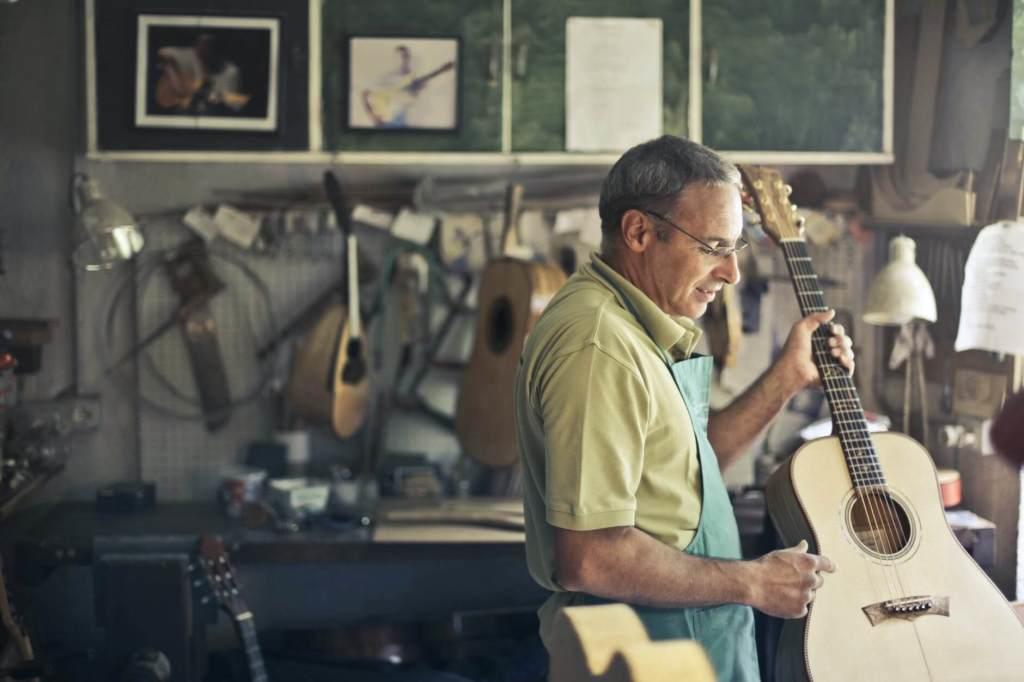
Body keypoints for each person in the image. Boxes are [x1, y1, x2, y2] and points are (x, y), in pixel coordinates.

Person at [513, 136, 853, 681]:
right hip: (643, 657)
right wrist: (752, 582)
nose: (731, 273)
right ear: (639, 232)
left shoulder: (637, 326)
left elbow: (686, 472)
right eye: (713, 247)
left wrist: (787, 379)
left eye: (735, 248)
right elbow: (591, 556)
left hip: (688, 649)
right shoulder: (601, 346)